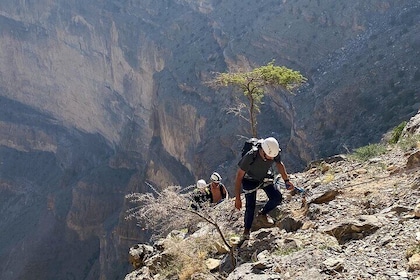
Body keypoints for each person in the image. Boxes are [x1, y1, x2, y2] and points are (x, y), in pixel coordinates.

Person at [234, 137, 294, 240]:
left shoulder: (273, 152)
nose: (271, 159)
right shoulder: (251, 156)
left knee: (277, 197)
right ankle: (246, 232)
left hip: (264, 177)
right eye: (269, 157)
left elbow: (279, 164)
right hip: (250, 180)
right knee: (250, 207)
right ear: (263, 151)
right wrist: (238, 198)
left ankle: (262, 214)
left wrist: (286, 180)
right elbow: (239, 177)